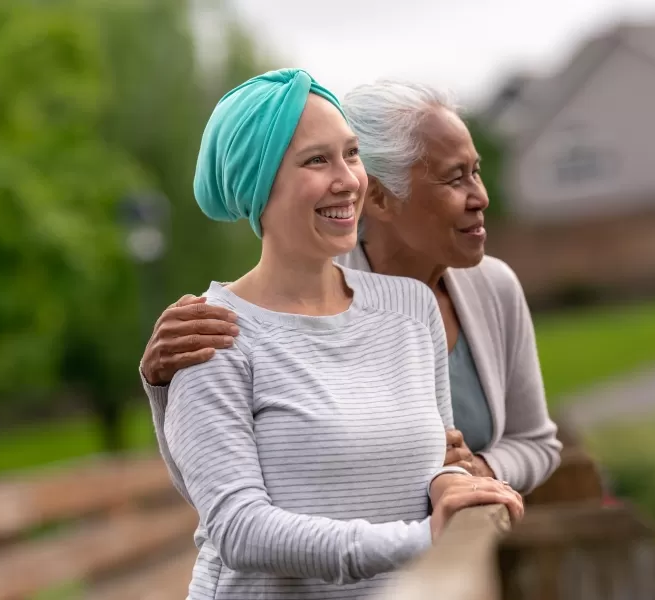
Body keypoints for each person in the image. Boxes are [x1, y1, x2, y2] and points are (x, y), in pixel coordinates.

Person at [150, 69, 524, 600]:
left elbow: (433, 457)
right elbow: (239, 529)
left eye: (351, 154)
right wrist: (420, 539)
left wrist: (455, 488)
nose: (349, 179)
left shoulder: (411, 308)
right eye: (316, 160)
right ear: (259, 184)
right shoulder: (208, 336)